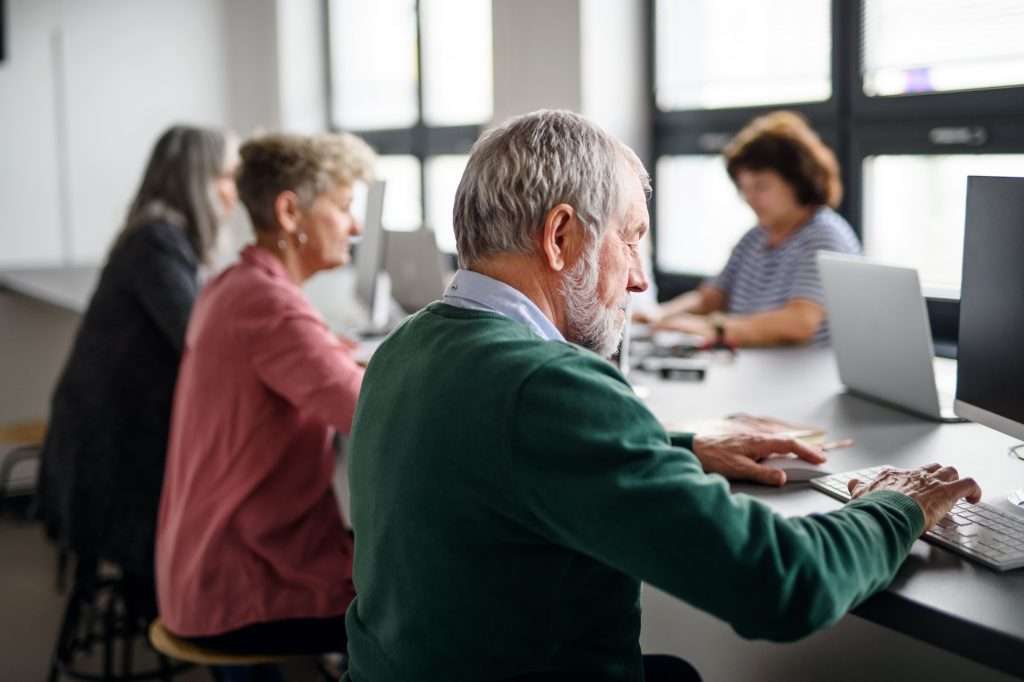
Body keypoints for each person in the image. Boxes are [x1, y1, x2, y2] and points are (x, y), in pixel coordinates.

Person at [344, 110, 981, 682]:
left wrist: (679, 446)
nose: (641, 279)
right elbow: (781, 585)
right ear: (560, 237)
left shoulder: (407, 346)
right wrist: (897, 506)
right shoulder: (551, 388)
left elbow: (495, 456)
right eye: (630, 237)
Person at [155, 132, 374, 667]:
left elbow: (314, 350)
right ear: (289, 211)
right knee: (424, 602)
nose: (357, 227)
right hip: (238, 590)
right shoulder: (270, 308)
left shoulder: (234, 286)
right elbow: (373, 411)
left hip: (201, 572)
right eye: (345, 208)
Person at [38, 125, 238, 606]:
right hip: (112, 461)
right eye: (228, 176)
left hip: (103, 444)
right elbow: (196, 336)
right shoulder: (156, 240)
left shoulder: (156, 236)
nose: (235, 191)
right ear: (199, 180)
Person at [635, 110, 859, 346]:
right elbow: (709, 298)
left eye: (761, 187)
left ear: (798, 181)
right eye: (744, 188)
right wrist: (657, 316)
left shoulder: (824, 235)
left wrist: (714, 328)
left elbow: (799, 322)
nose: (749, 199)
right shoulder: (755, 237)